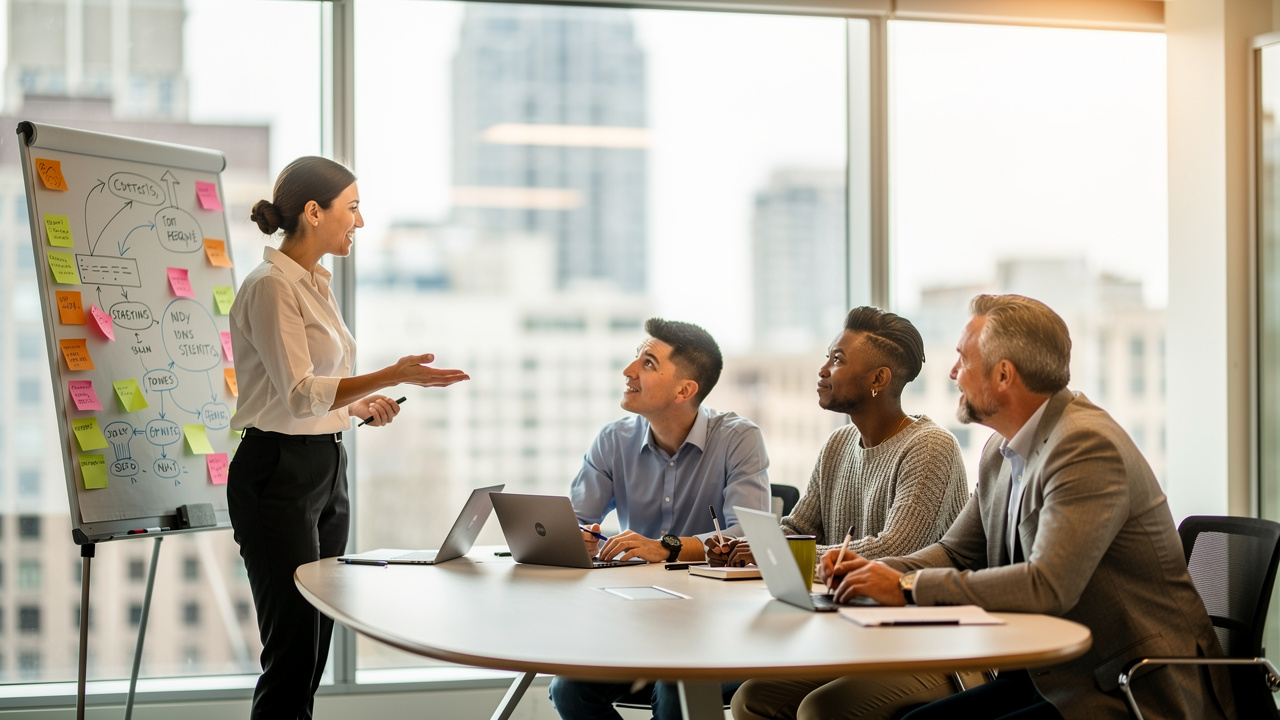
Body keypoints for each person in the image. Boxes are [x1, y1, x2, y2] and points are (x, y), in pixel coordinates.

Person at [824, 294, 1233, 720]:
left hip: (1129, 688)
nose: (952, 373)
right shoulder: (1000, 451)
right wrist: (876, 570)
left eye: (963, 360)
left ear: (1003, 375)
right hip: (1049, 675)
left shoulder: (1085, 446)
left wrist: (908, 589)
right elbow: (957, 551)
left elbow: (1048, 587)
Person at [227, 156, 469, 720]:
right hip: (276, 472)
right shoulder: (270, 287)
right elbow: (298, 392)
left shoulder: (315, 282)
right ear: (314, 212)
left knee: (314, 648)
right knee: (290, 651)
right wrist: (394, 373)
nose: (359, 221)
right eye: (352, 207)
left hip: (324, 468)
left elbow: (316, 393)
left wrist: (359, 405)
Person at [727, 306, 973, 720]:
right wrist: (755, 546)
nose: (823, 369)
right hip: (855, 631)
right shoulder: (838, 444)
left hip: (930, 643)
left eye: (838, 360)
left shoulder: (931, 447)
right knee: (751, 699)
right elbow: (798, 527)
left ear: (879, 379)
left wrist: (792, 555)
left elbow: (894, 550)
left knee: (822, 710)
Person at [548, 317, 771, 720]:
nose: (628, 371)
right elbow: (576, 520)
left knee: (677, 688)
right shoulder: (613, 440)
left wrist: (666, 548)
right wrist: (576, 538)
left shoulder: (739, 439)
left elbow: (748, 536)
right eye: (636, 357)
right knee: (569, 690)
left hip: (719, 628)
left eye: (648, 363)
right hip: (637, 622)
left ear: (685, 390)